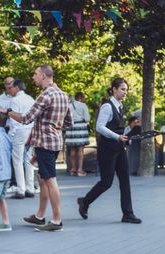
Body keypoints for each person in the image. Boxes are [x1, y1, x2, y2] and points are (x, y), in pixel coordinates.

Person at [7, 64, 72, 232]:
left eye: (35, 74)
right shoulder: (64, 95)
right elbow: (68, 123)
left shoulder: (45, 95)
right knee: (42, 179)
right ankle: (39, 216)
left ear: (43, 76)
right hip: (54, 142)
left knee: (50, 180)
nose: (33, 77)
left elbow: (26, 118)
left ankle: (57, 221)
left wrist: (8, 112)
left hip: (45, 143)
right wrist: (53, 126)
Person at [77, 78, 142, 224]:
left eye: (126, 89)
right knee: (106, 182)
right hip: (107, 149)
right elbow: (99, 127)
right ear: (113, 89)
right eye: (122, 89)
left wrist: (129, 134)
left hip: (119, 148)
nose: (125, 92)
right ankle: (85, 202)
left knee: (125, 180)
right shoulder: (107, 106)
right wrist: (117, 137)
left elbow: (118, 129)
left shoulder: (120, 106)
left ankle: (128, 214)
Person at [7, 79, 36, 199]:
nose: (10, 89)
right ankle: (30, 188)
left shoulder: (14, 100)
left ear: (17, 88)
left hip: (19, 131)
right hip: (30, 130)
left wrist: (11, 135)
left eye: (11, 87)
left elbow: (14, 120)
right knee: (28, 160)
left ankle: (21, 189)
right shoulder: (30, 99)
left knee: (17, 161)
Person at [65, 92, 91, 176]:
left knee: (72, 149)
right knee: (80, 149)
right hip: (80, 128)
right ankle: (79, 170)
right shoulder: (83, 106)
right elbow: (87, 118)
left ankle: (72, 169)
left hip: (71, 127)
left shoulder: (69, 105)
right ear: (80, 98)